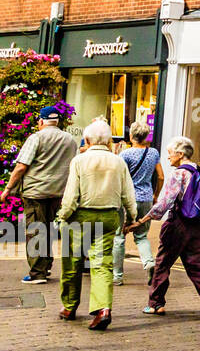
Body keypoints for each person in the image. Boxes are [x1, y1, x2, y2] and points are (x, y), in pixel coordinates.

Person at [126, 136, 200, 321]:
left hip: (179, 224)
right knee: (197, 263)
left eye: (170, 153)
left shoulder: (179, 174)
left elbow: (165, 203)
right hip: (199, 224)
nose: (168, 157)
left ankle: (155, 304)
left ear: (180, 154)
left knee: (163, 262)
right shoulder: (199, 171)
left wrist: (141, 221)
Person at [54, 119, 136, 330]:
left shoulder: (79, 161)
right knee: (102, 265)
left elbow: (71, 195)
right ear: (109, 140)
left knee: (72, 263)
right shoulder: (118, 162)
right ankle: (103, 309)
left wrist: (62, 215)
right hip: (109, 216)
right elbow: (128, 194)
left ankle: (70, 306)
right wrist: (132, 217)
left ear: (87, 140)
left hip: (79, 217)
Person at [0, 106, 78, 285]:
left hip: (36, 192)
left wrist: (8, 189)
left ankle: (37, 273)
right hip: (59, 192)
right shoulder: (70, 139)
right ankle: (46, 266)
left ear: (41, 121)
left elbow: (21, 166)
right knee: (49, 229)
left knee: (35, 231)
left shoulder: (36, 138)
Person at [113, 122, 162, 286]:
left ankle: (117, 276)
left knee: (119, 237)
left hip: (127, 199)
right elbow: (161, 177)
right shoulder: (153, 153)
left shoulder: (125, 155)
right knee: (141, 236)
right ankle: (149, 263)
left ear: (131, 136)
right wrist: (156, 195)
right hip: (146, 198)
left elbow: (118, 176)